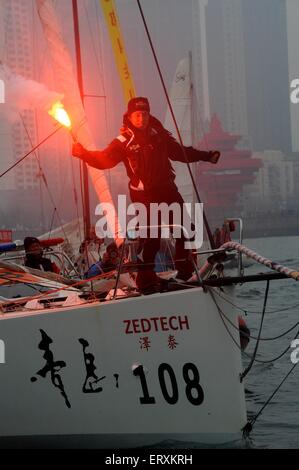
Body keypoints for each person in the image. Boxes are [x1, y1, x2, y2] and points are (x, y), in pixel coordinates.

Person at [72, 96, 221, 293]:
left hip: (167, 189)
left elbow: (179, 152)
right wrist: (83, 153)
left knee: (186, 230)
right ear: (130, 116)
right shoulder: (123, 141)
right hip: (144, 196)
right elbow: (104, 161)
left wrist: (206, 156)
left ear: (149, 114)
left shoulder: (159, 135)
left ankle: (185, 275)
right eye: (137, 114)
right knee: (152, 237)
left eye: (145, 113)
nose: (141, 118)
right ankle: (146, 279)